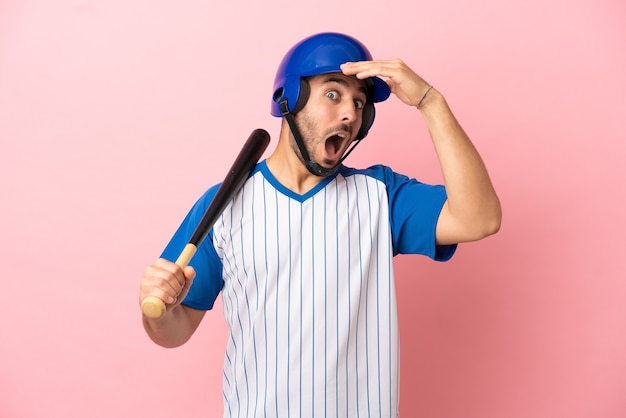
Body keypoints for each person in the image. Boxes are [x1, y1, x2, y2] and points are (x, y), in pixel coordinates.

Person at [139, 32, 501, 417]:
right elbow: (172, 331)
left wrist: (431, 102)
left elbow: (480, 218)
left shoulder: (382, 196)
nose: (350, 113)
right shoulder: (225, 203)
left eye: (359, 103)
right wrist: (159, 309)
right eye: (334, 94)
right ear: (289, 100)